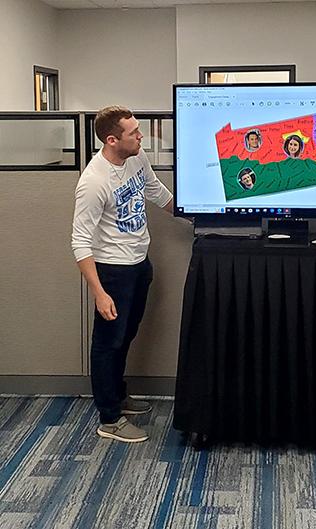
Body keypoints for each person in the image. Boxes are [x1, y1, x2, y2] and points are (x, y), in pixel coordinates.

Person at [71, 106, 173, 443]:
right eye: (134, 133)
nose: (141, 137)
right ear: (112, 140)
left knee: (126, 334)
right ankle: (109, 418)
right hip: (111, 270)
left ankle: (118, 394)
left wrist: (195, 216)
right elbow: (80, 242)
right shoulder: (93, 182)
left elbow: (155, 191)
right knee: (107, 342)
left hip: (139, 263)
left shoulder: (136, 157)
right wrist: (99, 293)